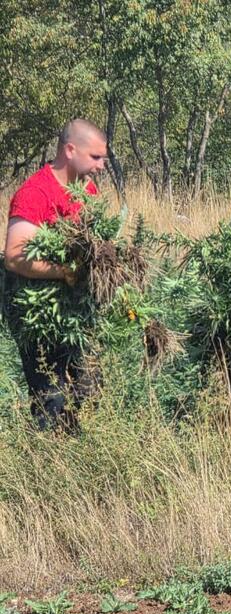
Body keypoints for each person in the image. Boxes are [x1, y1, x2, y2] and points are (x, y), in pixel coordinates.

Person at [3, 119, 107, 430]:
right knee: (51, 397)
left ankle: (78, 459)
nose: (102, 165)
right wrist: (64, 272)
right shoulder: (35, 192)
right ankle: (45, 463)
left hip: (77, 312)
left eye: (103, 158)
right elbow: (14, 256)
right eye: (95, 157)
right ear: (70, 149)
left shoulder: (87, 190)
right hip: (38, 313)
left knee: (89, 390)